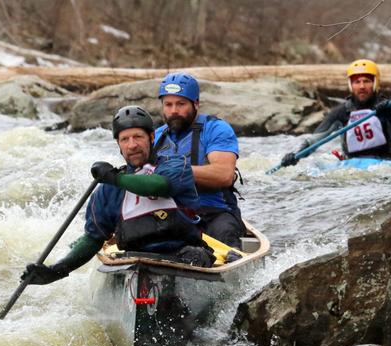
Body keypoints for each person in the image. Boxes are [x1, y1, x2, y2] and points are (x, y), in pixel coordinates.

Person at [21, 105, 214, 286]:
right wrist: (56, 271)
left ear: (152, 137)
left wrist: (115, 179)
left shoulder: (175, 166)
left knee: (196, 257)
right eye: (125, 139)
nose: (132, 145)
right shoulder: (107, 191)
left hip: (184, 256)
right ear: (118, 144)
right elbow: (93, 239)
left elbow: (158, 186)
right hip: (135, 262)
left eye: (138, 137)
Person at [154, 72, 246, 250]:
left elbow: (224, 175)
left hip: (213, 213)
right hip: (170, 214)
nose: (174, 111)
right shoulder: (156, 136)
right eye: (168, 104)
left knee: (225, 232)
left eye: (181, 104)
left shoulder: (215, 129)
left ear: (196, 103)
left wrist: (178, 170)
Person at [281, 59, 391, 167]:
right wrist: (295, 155)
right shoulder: (340, 112)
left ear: (375, 83)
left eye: (367, 81)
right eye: (357, 82)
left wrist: (390, 116)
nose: (362, 86)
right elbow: (314, 140)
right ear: (351, 85)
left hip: (388, 160)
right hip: (352, 164)